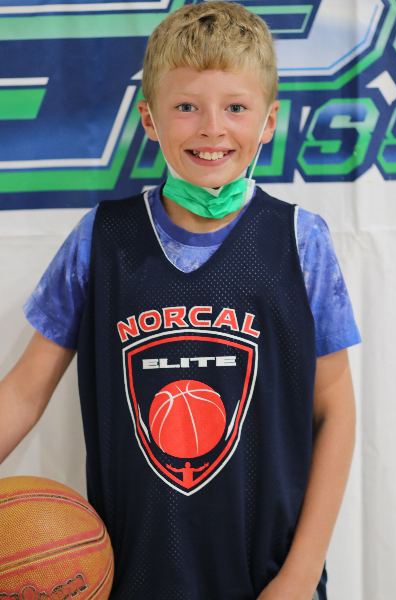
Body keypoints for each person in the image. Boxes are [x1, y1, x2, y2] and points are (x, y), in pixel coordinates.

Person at [0, 3, 360, 599]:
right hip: (138, 578)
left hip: (269, 579)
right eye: (187, 106)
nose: (212, 128)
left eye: (236, 107)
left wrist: (300, 575)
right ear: (149, 118)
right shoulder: (102, 239)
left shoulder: (300, 240)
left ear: (269, 121)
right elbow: (22, 392)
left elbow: (336, 412)